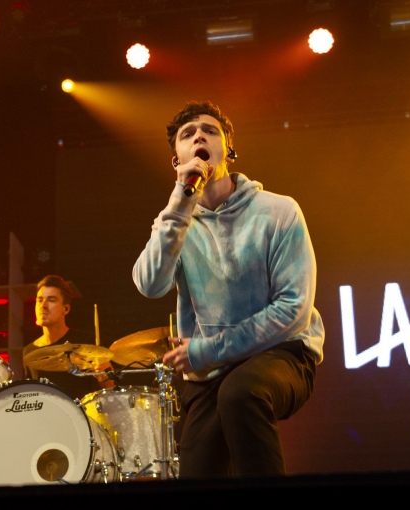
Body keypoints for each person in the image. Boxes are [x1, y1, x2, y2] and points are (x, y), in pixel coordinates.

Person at [132, 100, 325, 478]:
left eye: (210, 131)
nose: (199, 135)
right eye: (187, 135)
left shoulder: (279, 211)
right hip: (211, 370)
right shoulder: (175, 220)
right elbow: (149, 284)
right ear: (177, 161)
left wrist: (206, 350)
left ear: (228, 152)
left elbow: (294, 309)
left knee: (240, 393)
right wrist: (180, 205)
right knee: (198, 470)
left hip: (283, 352)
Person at [23, 275, 115, 401]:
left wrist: (104, 377)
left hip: (83, 416)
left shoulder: (86, 342)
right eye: (39, 300)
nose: (43, 305)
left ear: (65, 309)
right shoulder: (29, 351)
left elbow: (111, 390)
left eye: (51, 300)